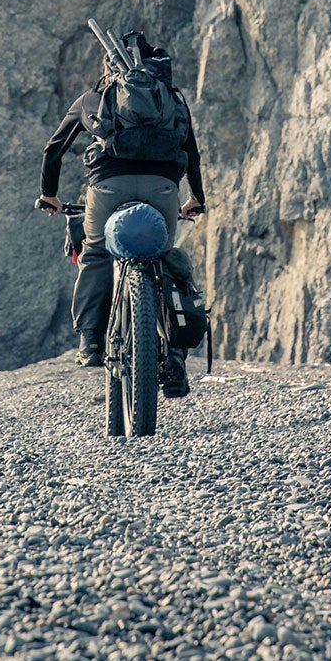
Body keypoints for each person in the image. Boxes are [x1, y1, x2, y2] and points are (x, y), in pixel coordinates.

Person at [38, 30, 206, 396]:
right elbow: (191, 154)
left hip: (109, 187)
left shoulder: (95, 99)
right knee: (164, 258)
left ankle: (92, 341)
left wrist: (49, 194)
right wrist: (196, 199)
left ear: (110, 68)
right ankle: (175, 359)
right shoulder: (172, 101)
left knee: (96, 252)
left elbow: (54, 150)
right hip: (163, 187)